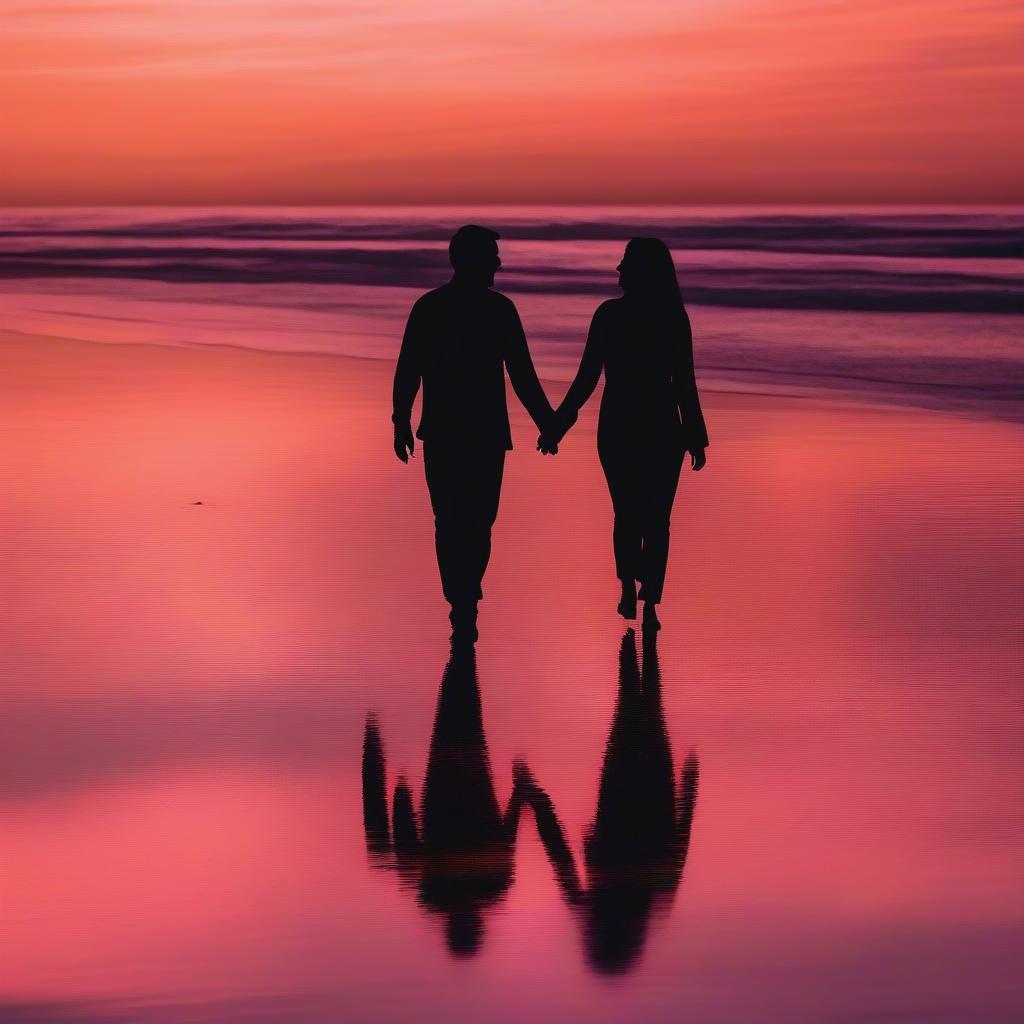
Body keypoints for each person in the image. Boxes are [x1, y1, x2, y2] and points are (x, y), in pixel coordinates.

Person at [393, 225, 555, 644]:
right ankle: (461, 600)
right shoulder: (445, 308)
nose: (498, 263)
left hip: (466, 434)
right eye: (492, 256)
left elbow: (521, 375)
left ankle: (463, 598)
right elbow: (409, 368)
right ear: (470, 260)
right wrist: (400, 420)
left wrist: (548, 423)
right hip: (464, 434)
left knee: (467, 521)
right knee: (460, 521)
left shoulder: (484, 309)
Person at [539, 238, 708, 631]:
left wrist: (558, 424)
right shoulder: (671, 316)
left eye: (625, 263)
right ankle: (649, 601)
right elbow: (685, 383)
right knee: (656, 518)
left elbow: (586, 379)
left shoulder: (611, 315)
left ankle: (631, 589)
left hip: (620, 426)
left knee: (628, 513)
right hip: (662, 427)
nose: (618, 269)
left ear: (642, 270)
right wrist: (695, 434)